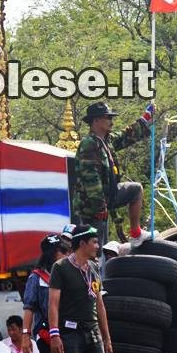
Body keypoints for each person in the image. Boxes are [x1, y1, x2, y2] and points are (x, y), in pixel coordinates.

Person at [73, 101, 154, 249]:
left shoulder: (106, 140)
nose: (111, 121)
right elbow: (91, 178)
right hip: (92, 207)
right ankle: (91, 270)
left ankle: (135, 233)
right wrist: (100, 207)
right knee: (95, 247)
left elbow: (125, 135)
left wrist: (145, 118)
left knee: (135, 190)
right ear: (96, 120)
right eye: (108, 117)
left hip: (108, 194)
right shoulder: (89, 144)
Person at [48, 225, 113, 353]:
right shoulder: (60, 267)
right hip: (71, 335)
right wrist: (54, 335)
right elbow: (53, 304)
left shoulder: (94, 268)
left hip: (93, 333)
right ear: (82, 244)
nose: (97, 246)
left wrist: (107, 338)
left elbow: (100, 305)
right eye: (95, 242)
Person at [22, 234, 70, 353]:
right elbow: (29, 307)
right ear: (52, 254)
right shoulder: (37, 278)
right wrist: (25, 336)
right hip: (46, 334)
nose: (66, 254)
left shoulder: (69, 273)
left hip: (69, 333)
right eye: (62, 251)